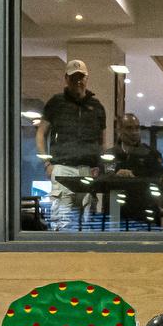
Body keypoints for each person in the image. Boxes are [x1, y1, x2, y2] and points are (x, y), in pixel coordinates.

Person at [39, 59, 107, 230]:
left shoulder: (96, 107)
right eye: (74, 77)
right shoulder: (56, 103)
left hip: (88, 169)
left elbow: (102, 140)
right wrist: (47, 163)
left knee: (88, 221)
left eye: (81, 77)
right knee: (62, 223)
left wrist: (99, 165)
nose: (78, 81)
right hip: (62, 167)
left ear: (86, 78)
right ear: (66, 79)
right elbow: (41, 134)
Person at [109, 111, 163, 229]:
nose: (134, 132)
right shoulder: (110, 154)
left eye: (137, 128)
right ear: (119, 130)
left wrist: (135, 175)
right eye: (129, 128)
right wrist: (115, 175)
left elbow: (162, 178)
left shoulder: (150, 154)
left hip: (144, 213)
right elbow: (101, 178)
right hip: (116, 214)